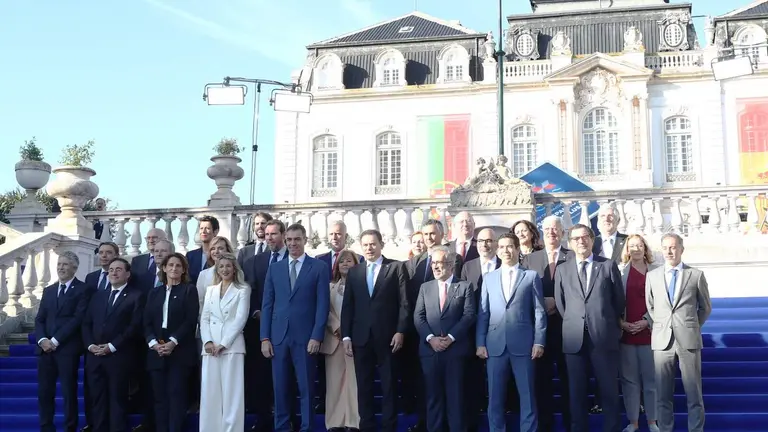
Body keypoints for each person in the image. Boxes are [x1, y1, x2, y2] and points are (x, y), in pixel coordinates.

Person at [554, 224, 625, 432]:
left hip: (603, 338)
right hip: (574, 339)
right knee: (576, 393)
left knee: (609, 391)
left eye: (585, 237)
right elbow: (561, 304)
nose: (581, 241)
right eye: (576, 238)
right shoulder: (562, 269)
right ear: (570, 243)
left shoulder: (607, 265)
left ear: (592, 240)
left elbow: (618, 301)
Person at [260, 223, 330, 432]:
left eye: (296, 239)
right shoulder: (275, 268)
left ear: (304, 240)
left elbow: (322, 305)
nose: (292, 244)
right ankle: (282, 427)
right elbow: (267, 304)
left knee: (307, 388)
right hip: (278, 338)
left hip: (306, 338)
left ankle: (307, 428)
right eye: (289, 240)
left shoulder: (318, 267)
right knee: (280, 388)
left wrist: (317, 336)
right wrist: (264, 338)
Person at [477, 233, 546, 432]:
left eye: (510, 247)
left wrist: (539, 341)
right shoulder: (489, 278)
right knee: (495, 399)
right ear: (497, 251)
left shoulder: (531, 276)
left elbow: (539, 311)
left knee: (528, 397)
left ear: (517, 249)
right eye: (502, 247)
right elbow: (483, 312)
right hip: (494, 346)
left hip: (524, 345)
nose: (506, 250)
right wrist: (480, 342)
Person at [341, 229, 409, 432]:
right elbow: (348, 306)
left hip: (388, 337)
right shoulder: (355, 272)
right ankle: (367, 426)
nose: (369, 248)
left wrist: (400, 331)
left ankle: (389, 427)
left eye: (373, 244)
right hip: (361, 338)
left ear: (381, 244)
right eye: (365, 245)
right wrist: (346, 336)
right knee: (364, 386)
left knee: (389, 386)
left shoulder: (396, 268)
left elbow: (404, 303)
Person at [646, 233, 711, 432]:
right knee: (663, 394)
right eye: (665, 247)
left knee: (694, 393)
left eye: (673, 247)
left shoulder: (696, 275)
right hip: (662, 341)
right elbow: (650, 307)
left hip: (688, 340)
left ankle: (696, 430)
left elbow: (705, 307)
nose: (669, 251)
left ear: (681, 249)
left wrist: (691, 326)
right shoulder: (652, 275)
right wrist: (663, 325)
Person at [414, 245, 476, 432]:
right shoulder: (425, 287)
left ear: (450, 265)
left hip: (455, 352)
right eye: (433, 263)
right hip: (430, 352)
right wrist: (430, 338)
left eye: (439, 263)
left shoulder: (464, 286)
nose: (435, 267)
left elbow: (469, 315)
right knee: (433, 398)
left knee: (455, 398)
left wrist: (450, 337)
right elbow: (419, 316)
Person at [82, 257, 144, 432]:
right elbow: (86, 323)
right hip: (94, 357)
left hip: (119, 357)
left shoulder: (136, 296)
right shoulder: (98, 296)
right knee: (97, 401)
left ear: (128, 274)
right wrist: (90, 345)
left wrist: (112, 346)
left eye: (118, 269)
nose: (114, 273)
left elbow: (134, 326)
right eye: (111, 270)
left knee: (117, 401)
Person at [143, 252, 200, 432]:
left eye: (178, 266)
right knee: (159, 399)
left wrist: (172, 342)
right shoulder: (154, 293)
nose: (174, 268)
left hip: (180, 352)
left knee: (176, 397)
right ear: (164, 268)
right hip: (156, 351)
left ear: (183, 270)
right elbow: (146, 321)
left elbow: (190, 321)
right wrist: (153, 343)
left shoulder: (189, 290)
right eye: (171, 265)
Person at [35, 251, 90, 432]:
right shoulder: (49, 290)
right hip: (45, 350)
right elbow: (40, 318)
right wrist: (43, 339)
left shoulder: (83, 289)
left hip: (67, 349)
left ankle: (70, 427)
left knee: (68, 391)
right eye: (59, 264)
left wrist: (56, 340)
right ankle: (46, 427)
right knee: (45, 392)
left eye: (65, 264)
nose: (61, 267)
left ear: (75, 267)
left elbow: (77, 318)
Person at [199, 253, 251, 432]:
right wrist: (208, 342)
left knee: (232, 394)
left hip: (232, 347)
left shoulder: (243, 289)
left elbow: (240, 318)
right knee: (210, 393)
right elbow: (204, 318)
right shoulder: (211, 290)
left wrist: (224, 343)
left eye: (228, 266)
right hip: (210, 348)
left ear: (234, 268)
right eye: (221, 267)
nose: (225, 270)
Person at [619, 234, 660, 432]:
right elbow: (611, 301)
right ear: (626, 250)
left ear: (645, 248)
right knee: (629, 381)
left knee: (651, 380)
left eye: (639, 245)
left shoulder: (657, 271)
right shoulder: (619, 271)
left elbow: (662, 302)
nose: (635, 248)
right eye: (631, 245)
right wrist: (621, 323)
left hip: (650, 332)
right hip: (626, 332)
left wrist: (646, 321)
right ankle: (633, 422)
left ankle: (652, 421)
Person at [320, 249, 361, 431]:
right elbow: (324, 310)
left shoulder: (362, 286)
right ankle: (335, 422)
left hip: (354, 339)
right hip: (334, 340)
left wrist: (349, 330)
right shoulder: (329, 287)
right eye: (342, 261)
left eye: (349, 260)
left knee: (353, 382)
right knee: (334, 383)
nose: (345, 263)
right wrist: (337, 326)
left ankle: (353, 421)